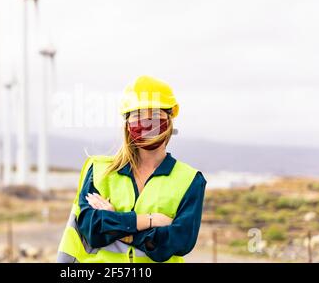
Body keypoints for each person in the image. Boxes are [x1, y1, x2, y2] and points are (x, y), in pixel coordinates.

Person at [57, 75, 207, 263]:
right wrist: (149, 221)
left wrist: (116, 223)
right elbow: (92, 229)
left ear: (169, 121)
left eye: (154, 115)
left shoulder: (190, 180)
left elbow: (178, 241)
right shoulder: (99, 170)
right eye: (137, 116)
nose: (146, 123)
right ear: (127, 124)